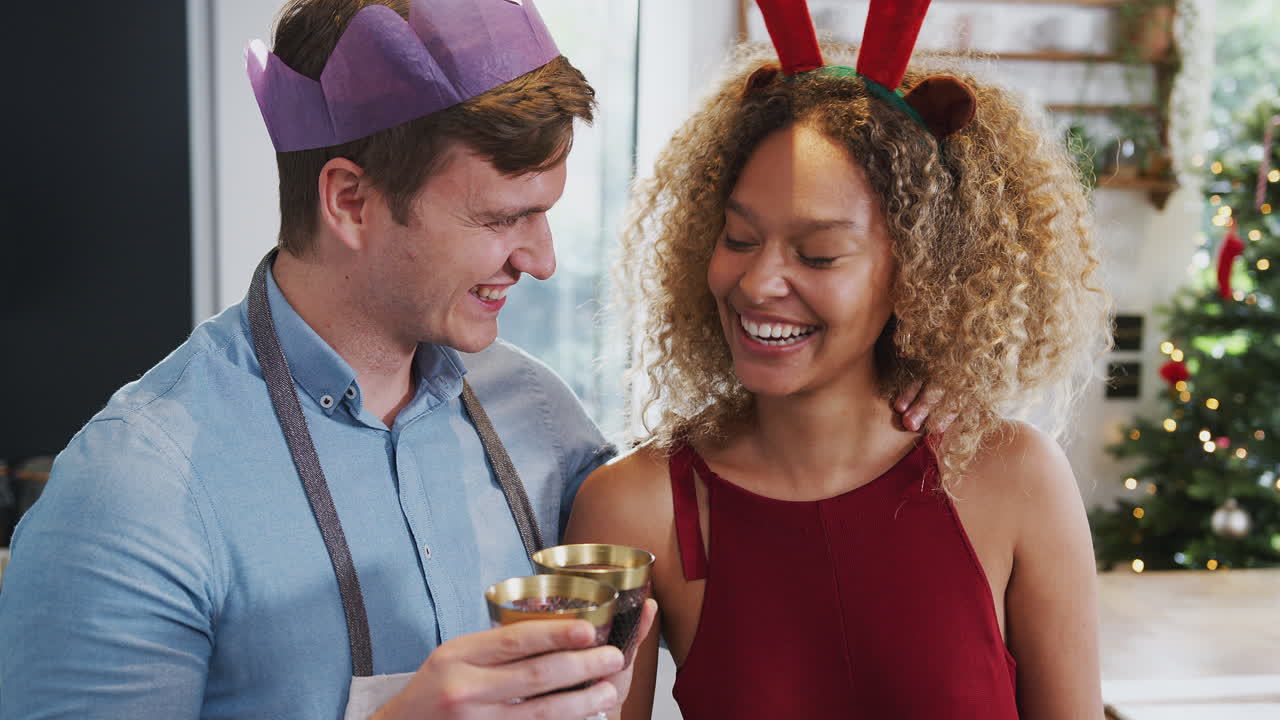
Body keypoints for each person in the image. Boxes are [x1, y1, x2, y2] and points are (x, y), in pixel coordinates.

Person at [0, 1, 654, 718]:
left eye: (545, 212)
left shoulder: (542, 418)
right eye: (500, 219)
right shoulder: (131, 494)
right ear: (350, 201)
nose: (543, 260)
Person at [567, 1, 1111, 718]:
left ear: (920, 272)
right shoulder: (631, 507)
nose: (758, 283)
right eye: (738, 238)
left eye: (818, 253)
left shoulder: (1017, 482)